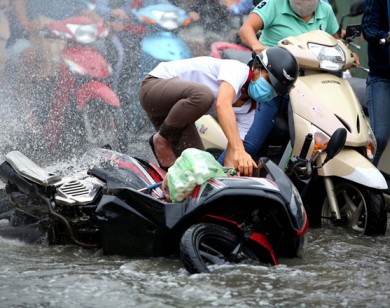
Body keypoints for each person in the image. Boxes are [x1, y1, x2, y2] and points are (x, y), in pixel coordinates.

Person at [139, 47, 299, 176]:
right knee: (204, 95)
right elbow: (222, 105)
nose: (271, 91)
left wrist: (230, 178)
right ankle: (162, 139)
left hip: (176, 117)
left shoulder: (248, 113)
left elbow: (229, 163)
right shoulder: (237, 70)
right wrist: (240, 151)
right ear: (257, 67)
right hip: (153, 88)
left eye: (276, 91)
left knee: (201, 169)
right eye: (270, 81)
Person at [237, 0, 340, 160]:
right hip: (272, 82)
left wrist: (348, 55)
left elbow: (335, 43)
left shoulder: (325, 10)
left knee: (315, 145)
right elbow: (246, 30)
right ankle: (217, 177)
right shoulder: (274, 4)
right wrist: (257, 45)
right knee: (249, 144)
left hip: (307, 89)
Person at [362, 0, 390, 167]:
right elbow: (368, 29)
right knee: (379, 137)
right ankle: (363, 183)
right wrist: (386, 36)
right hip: (382, 75)